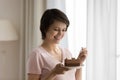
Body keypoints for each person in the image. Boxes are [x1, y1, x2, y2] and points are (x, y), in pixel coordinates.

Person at [27, 8, 87, 80]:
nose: (60, 33)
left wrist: (79, 62)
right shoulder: (37, 55)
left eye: (63, 30)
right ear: (45, 28)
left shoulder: (67, 53)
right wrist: (53, 73)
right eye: (56, 29)